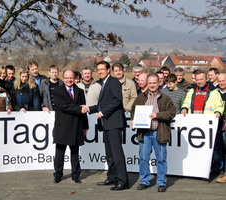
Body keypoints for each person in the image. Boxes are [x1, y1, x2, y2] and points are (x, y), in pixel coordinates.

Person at [85, 60, 129, 191]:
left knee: (117, 153)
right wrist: (88, 109)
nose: (100, 72)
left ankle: (123, 181)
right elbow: (102, 105)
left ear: (108, 70)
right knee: (109, 154)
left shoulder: (113, 81)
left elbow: (117, 100)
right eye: (98, 69)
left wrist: (103, 112)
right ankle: (112, 177)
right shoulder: (103, 83)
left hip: (114, 122)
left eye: (102, 69)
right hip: (106, 124)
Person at [131, 73, 176, 193]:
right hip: (144, 133)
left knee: (161, 159)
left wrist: (158, 115)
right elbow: (133, 110)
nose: (152, 85)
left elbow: (172, 113)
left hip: (159, 132)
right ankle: (144, 181)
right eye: (150, 83)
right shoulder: (141, 97)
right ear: (147, 83)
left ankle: (161, 182)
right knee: (144, 158)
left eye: (154, 83)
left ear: (159, 83)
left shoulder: (165, 98)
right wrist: (133, 120)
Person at [181, 70, 224, 175]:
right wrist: (184, 108)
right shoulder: (191, 90)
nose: (199, 81)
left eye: (201, 79)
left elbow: (219, 105)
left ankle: (217, 168)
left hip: (208, 125)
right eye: (198, 79)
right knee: (197, 149)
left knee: (214, 148)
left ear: (206, 79)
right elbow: (186, 102)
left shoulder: (214, 92)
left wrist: (218, 112)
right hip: (195, 125)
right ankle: (198, 169)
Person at [52, 69, 88, 184]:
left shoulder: (80, 91)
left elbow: (84, 110)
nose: (69, 80)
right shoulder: (57, 91)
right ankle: (57, 174)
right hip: (62, 127)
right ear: (63, 79)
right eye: (67, 78)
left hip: (76, 126)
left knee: (75, 153)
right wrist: (79, 108)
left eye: (71, 78)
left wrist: (85, 126)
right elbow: (64, 106)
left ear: (75, 78)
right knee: (59, 153)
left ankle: (76, 175)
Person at [216, 73, 226, 183]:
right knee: (220, 149)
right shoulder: (216, 92)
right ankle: (221, 169)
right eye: (220, 81)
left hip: (224, 125)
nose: (222, 83)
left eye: (224, 80)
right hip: (217, 125)